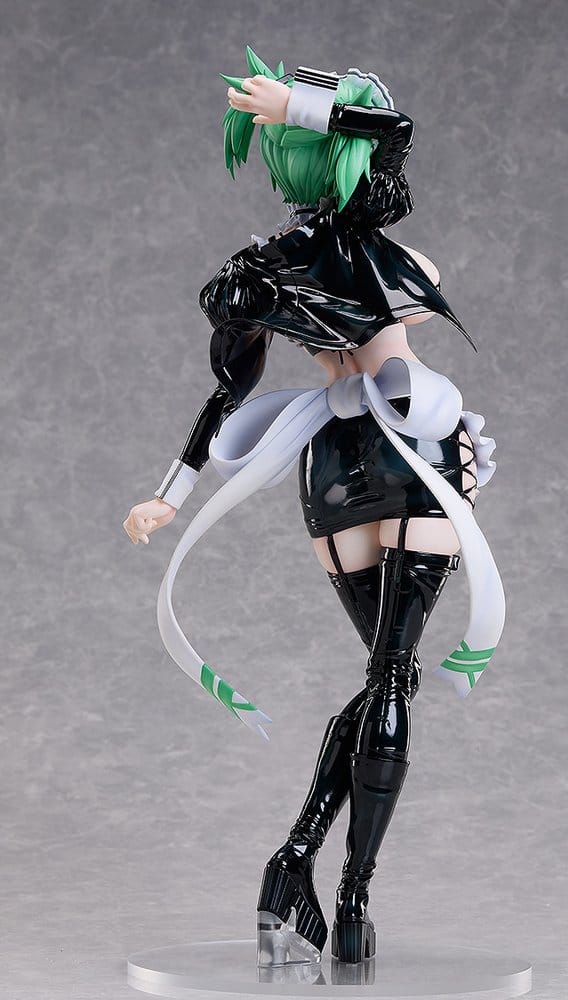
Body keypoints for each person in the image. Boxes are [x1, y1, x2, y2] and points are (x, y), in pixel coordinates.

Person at [123, 47, 505, 966]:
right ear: (347, 154)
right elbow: (394, 128)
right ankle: (346, 895)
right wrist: (301, 104)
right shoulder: (378, 247)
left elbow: (227, 389)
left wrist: (170, 495)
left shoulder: (266, 264)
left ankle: (293, 863)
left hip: (331, 466)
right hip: (411, 451)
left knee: (386, 676)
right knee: (391, 678)